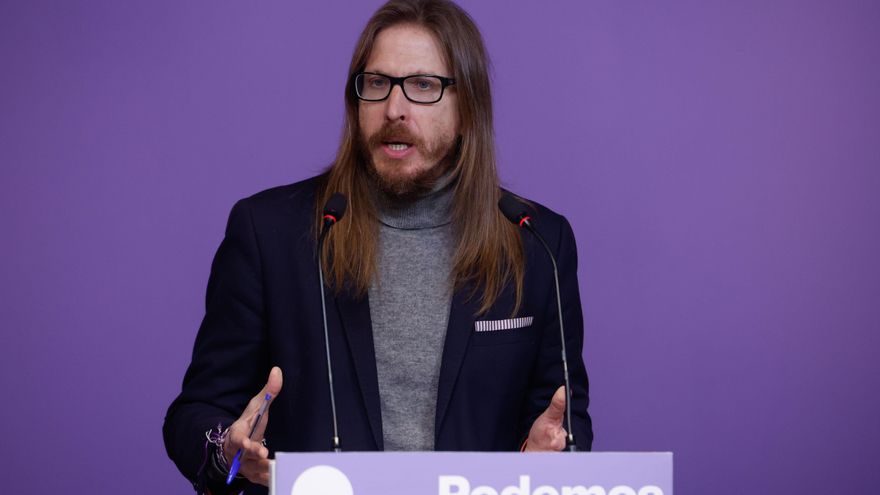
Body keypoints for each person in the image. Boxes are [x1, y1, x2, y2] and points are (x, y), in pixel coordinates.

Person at [164, 0, 593, 493]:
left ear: (467, 108)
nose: (394, 108)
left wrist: (542, 460)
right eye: (377, 84)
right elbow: (194, 415)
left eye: (423, 86)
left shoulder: (537, 239)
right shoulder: (269, 233)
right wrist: (227, 448)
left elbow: (565, 422)